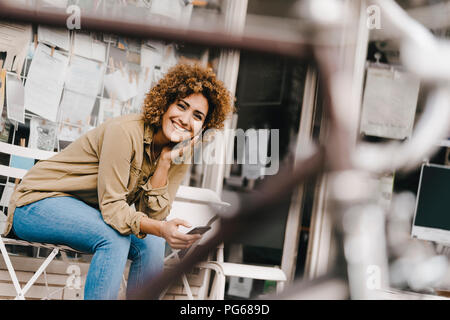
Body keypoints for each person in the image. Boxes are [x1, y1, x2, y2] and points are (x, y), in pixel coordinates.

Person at [3, 63, 233, 299]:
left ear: (204, 126)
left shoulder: (178, 155)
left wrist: (164, 163)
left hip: (88, 212)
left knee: (152, 244)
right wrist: (162, 229)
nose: (185, 120)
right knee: (113, 238)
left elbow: (153, 219)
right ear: (166, 102)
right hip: (36, 203)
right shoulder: (124, 132)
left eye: (197, 116)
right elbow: (114, 210)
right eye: (181, 106)